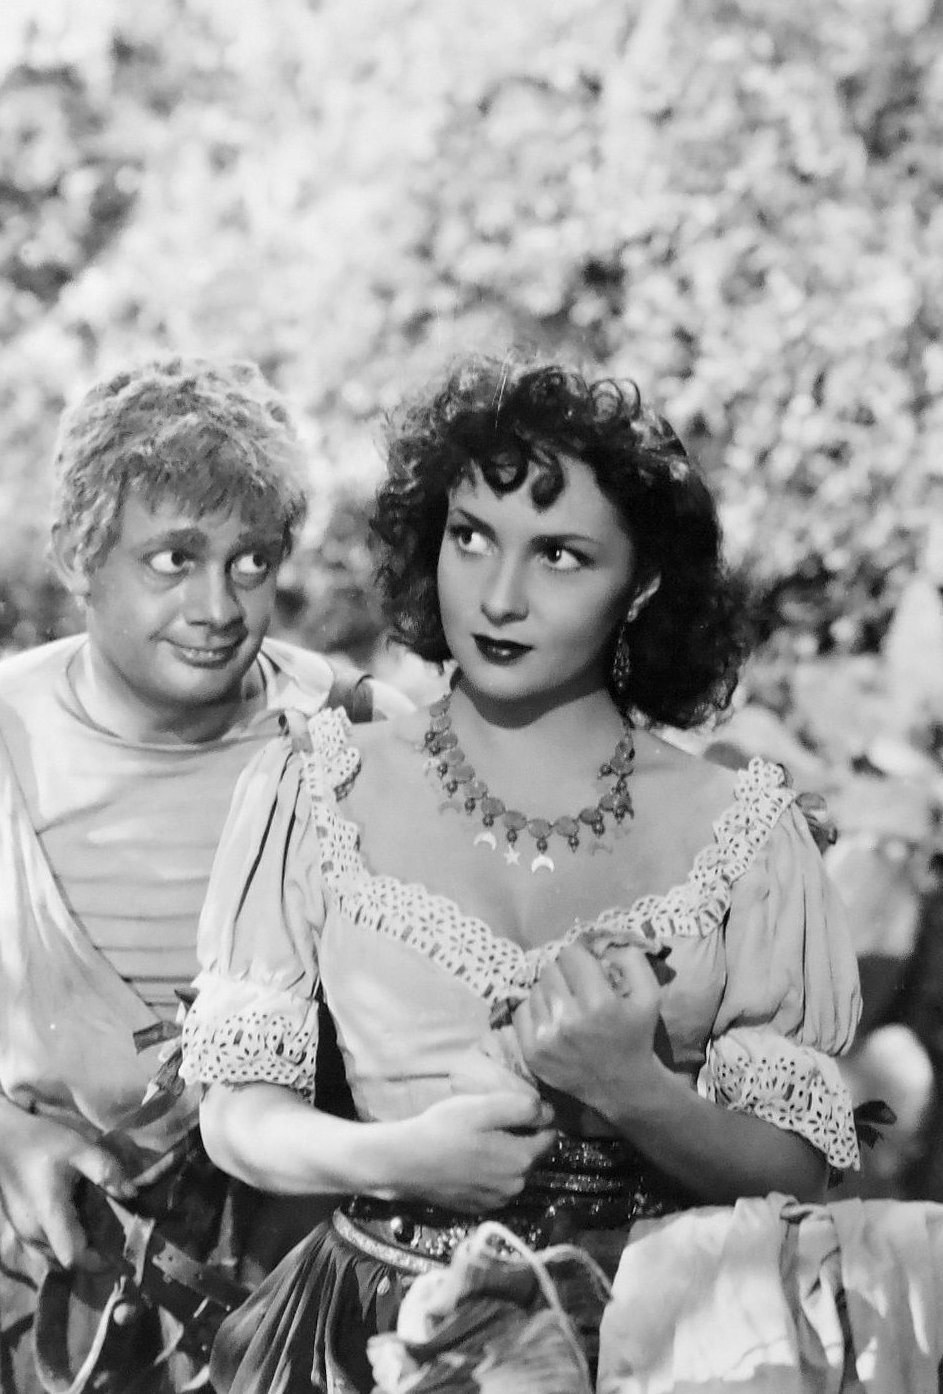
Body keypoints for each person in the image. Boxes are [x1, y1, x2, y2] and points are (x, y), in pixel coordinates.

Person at [175, 356, 864, 1393]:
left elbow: (798, 1165)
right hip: (370, 1346)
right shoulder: (314, 788)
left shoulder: (745, 831)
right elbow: (236, 1117)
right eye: (471, 537)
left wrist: (631, 1087)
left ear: (640, 584)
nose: (499, 596)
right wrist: (401, 1157)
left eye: (559, 555)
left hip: (657, 1347)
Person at [0, 355, 407, 1394]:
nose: (217, 605)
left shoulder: (360, 735)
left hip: (282, 1299)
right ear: (80, 554)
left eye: (250, 562)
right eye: (173, 559)